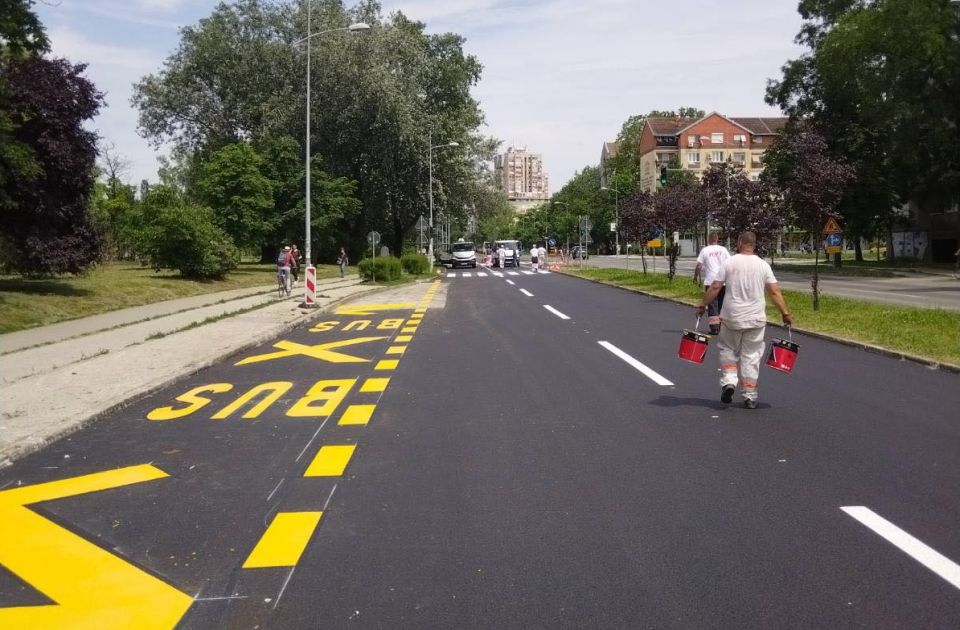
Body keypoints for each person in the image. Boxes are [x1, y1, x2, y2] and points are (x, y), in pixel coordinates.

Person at [696, 231, 793, 409]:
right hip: (755, 318)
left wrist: (703, 305)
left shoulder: (729, 262)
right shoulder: (763, 265)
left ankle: (729, 382)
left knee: (728, 350)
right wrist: (785, 313)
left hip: (731, 317)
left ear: (740, 243)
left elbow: (716, 287)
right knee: (751, 356)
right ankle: (750, 396)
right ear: (754, 245)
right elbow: (774, 292)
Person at [693, 232, 731, 336]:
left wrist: (695, 277)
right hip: (722, 281)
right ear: (717, 239)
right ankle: (722, 327)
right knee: (722, 304)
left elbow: (699, 265)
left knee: (712, 304)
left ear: (709, 240)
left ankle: (715, 328)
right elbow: (730, 264)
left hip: (710, 281)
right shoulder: (723, 250)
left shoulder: (705, 250)